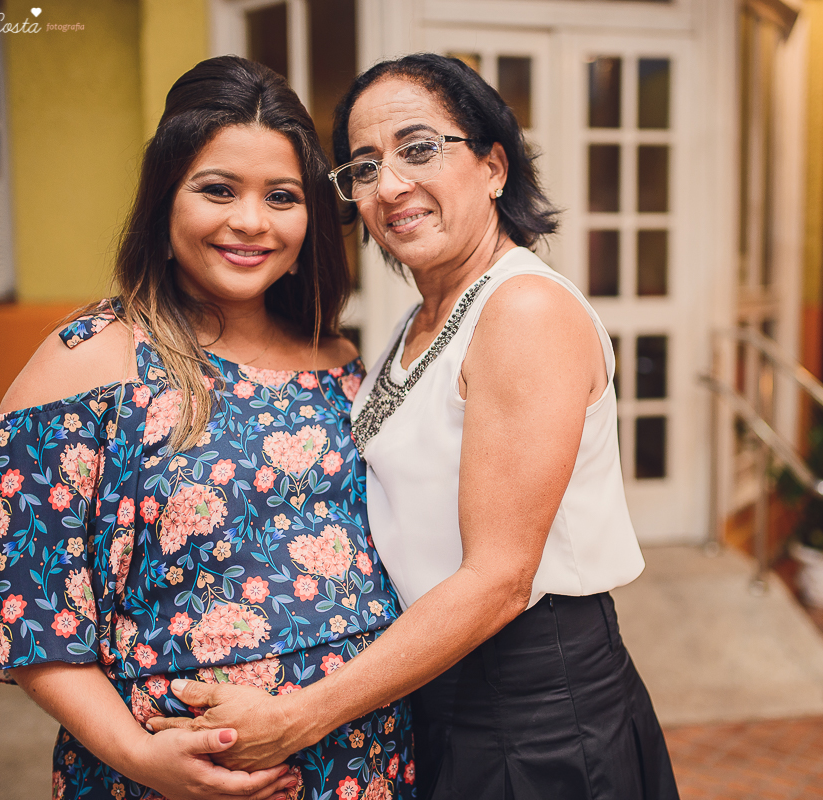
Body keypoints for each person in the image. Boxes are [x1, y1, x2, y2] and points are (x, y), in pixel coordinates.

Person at [152, 53, 680, 800]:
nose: (390, 185)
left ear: (495, 165)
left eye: (420, 148)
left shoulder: (524, 309)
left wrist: (299, 718)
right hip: (432, 689)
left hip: (532, 711)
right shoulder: (417, 323)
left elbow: (498, 581)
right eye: (363, 168)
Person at [0, 55, 415, 800]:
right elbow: (22, 611)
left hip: (366, 766)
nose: (251, 221)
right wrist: (140, 757)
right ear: (165, 203)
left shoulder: (340, 363)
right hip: (167, 780)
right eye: (218, 189)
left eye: (282, 196)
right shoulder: (87, 362)